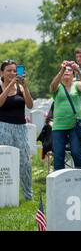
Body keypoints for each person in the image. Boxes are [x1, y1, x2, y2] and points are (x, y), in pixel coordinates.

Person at [0, 60, 34, 200]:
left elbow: (30, 105)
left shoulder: (20, 87)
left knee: (25, 162)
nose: (12, 73)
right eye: (9, 70)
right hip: (3, 127)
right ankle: (5, 194)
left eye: (14, 70)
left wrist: (24, 87)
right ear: (2, 73)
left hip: (21, 128)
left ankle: (28, 195)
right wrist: (9, 86)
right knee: (4, 161)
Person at [50, 60, 81, 170]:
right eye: (65, 70)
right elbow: (52, 87)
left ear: (73, 74)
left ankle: (80, 176)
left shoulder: (77, 85)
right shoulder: (58, 86)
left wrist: (79, 71)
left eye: (69, 70)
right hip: (59, 125)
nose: (67, 71)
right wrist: (61, 69)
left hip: (75, 125)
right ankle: (58, 182)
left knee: (76, 151)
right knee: (58, 155)